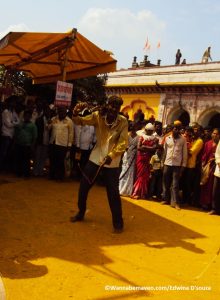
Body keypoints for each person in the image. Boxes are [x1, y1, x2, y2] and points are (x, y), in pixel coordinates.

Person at [70, 96, 128, 233]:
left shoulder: (123, 121)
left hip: (112, 162)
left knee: (113, 193)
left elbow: (123, 142)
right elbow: (79, 121)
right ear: (108, 105)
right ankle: (81, 212)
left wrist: (111, 155)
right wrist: (75, 112)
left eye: (117, 107)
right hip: (96, 158)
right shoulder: (97, 116)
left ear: (119, 109)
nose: (114, 109)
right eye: (112, 105)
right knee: (84, 186)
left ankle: (118, 223)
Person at [162, 123, 188, 210]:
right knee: (166, 182)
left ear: (180, 129)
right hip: (167, 163)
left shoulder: (183, 139)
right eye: (174, 128)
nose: (176, 130)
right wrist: (163, 163)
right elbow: (165, 151)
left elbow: (185, 153)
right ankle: (166, 199)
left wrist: (183, 166)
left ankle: (175, 202)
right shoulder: (167, 138)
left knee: (175, 184)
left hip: (177, 165)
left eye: (178, 128)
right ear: (172, 129)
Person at [131, 123, 158, 199]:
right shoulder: (142, 137)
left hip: (148, 159)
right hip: (141, 158)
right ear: (145, 130)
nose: (149, 131)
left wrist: (145, 147)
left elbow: (154, 149)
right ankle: (137, 192)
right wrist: (150, 148)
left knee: (146, 176)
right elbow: (139, 147)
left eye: (151, 130)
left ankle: (142, 193)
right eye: (148, 130)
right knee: (140, 175)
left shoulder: (154, 138)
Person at [48, 106, 74, 180]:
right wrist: (48, 123)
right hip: (53, 143)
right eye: (60, 111)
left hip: (62, 144)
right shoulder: (53, 119)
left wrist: (69, 145)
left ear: (66, 112)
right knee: (53, 160)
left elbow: (71, 134)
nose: (61, 112)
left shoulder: (69, 121)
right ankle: (52, 175)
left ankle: (60, 176)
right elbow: (48, 128)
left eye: (63, 111)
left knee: (60, 161)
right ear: (58, 112)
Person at [119, 121, 139, 197]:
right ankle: (121, 189)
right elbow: (123, 145)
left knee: (131, 173)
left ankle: (128, 191)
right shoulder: (127, 135)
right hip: (126, 156)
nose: (133, 128)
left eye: (135, 126)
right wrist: (126, 148)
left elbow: (138, 147)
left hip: (133, 157)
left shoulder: (138, 137)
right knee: (124, 171)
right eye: (132, 126)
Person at [209, 140, 220, 215]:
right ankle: (214, 208)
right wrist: (218, 162)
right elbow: (217, 153)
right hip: (219, 170)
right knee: (215, 191)